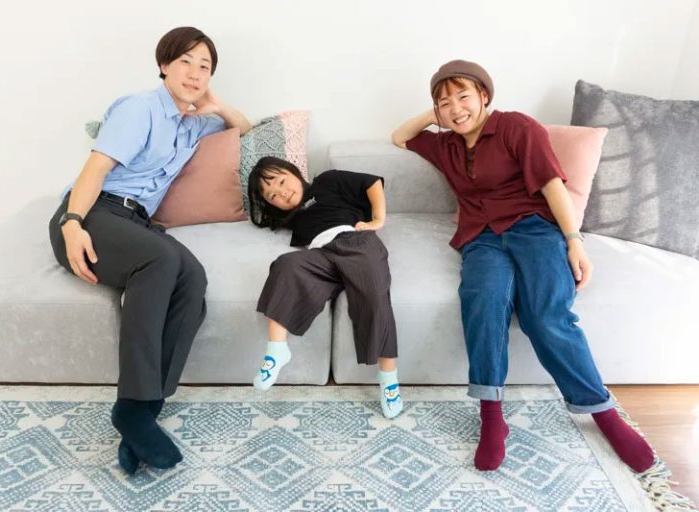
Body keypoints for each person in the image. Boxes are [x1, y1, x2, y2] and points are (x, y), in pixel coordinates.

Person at [391, 60, 654, 472]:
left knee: (545, 315)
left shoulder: (517, 127)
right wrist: (435, 114)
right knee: (483, 302)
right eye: (445, 102)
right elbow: (400, 136)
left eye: (463, 96)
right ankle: (492, 418)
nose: (456, 108)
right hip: (481, 237)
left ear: (484, 95)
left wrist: (574, 241)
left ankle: (603, 413)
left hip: (535, 229)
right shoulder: (446, 146)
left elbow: (551, 184)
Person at [48, 26, 251, 475]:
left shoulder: (195, 123)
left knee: (192, 277)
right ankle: (131, 406)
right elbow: (96, 168)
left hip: (134, 222)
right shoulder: (139, 108)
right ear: (164, 65)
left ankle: (142, 414)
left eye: (205, 67)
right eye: (186, 62)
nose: (195, 73)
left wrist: (217, 105)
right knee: (161, 259)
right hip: (94, 214)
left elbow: (244, 127)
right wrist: (72, 223)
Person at [247, 156, 403, 419]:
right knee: (286, 264)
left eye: (282, 182)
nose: (282, 193)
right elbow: (259, 216)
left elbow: (372, 183)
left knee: (375, 294)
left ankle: (389, 380)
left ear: (295, 172)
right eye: (273, 195)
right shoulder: (290, 218)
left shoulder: (326, 181)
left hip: (355, 242)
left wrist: (378, 219)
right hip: (321, 256)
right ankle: (276, 351)